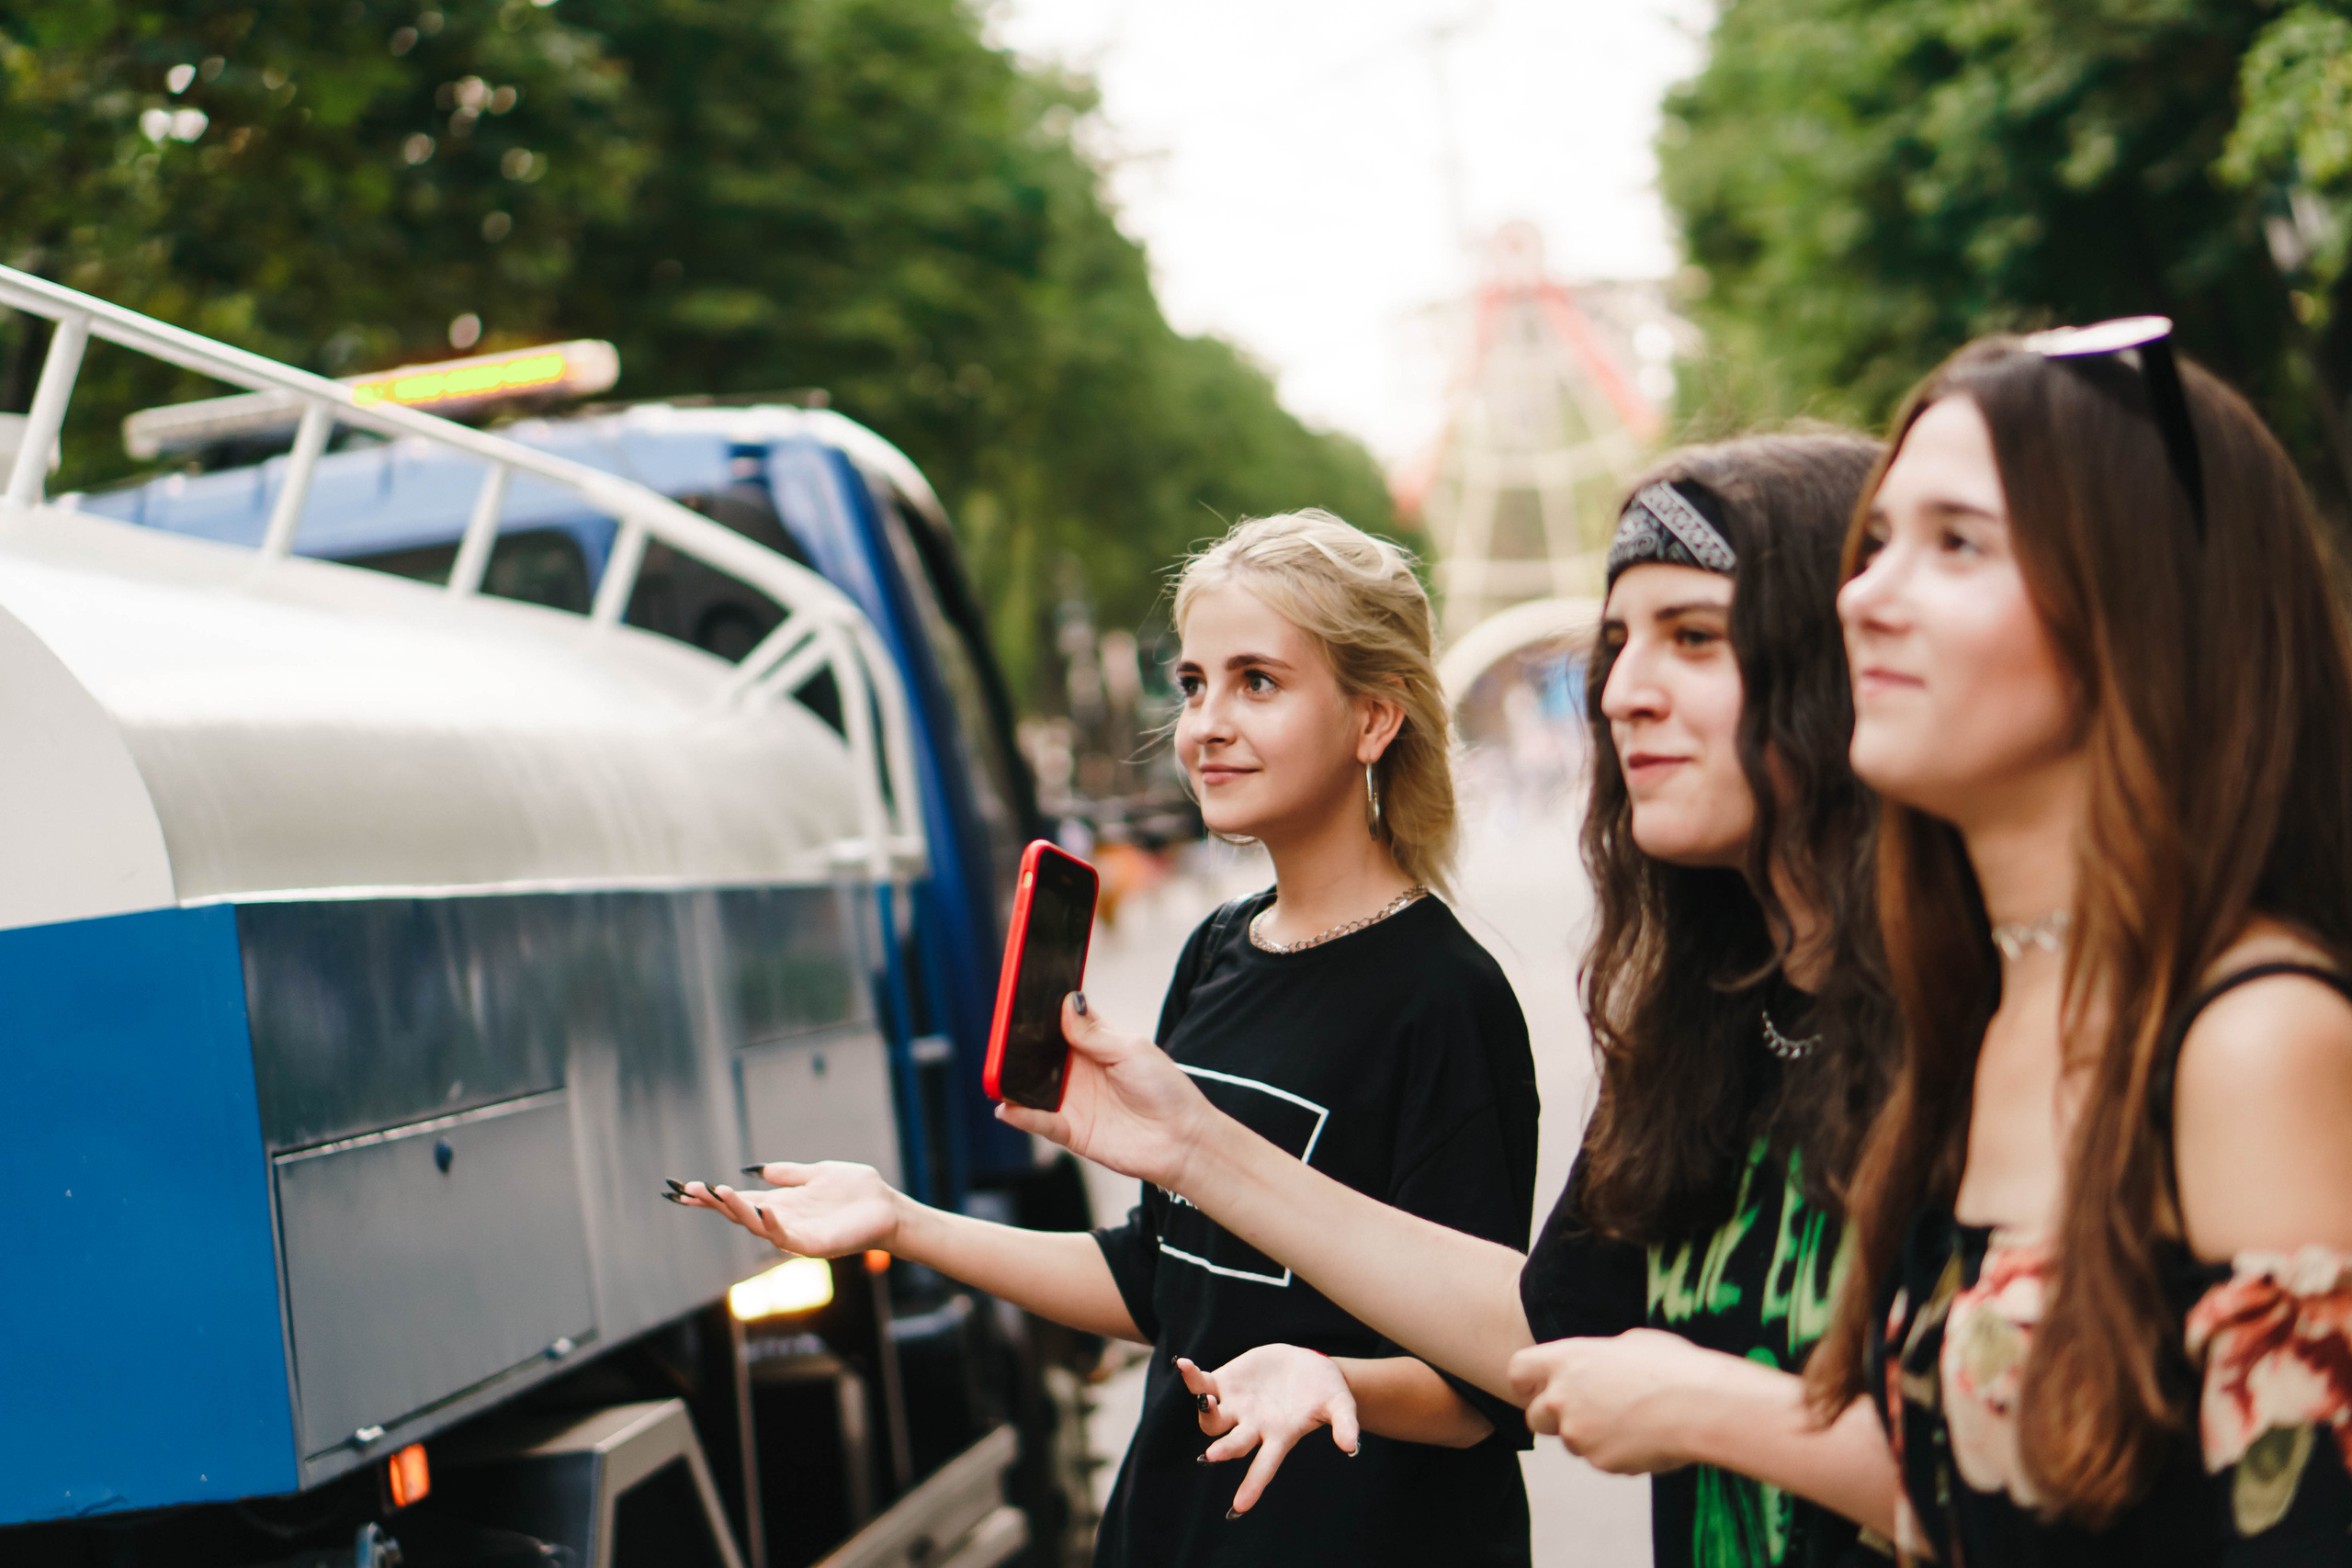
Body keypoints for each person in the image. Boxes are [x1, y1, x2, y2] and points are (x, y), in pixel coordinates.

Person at [1006, 434, 1905, 1568]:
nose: (1623, 693)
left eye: (1693, 639)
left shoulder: (1989, 1023)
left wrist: (1703, 1408)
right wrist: (1176, 1150)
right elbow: (1541, 1323)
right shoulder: (1699, 1019)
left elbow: (2051, 1475)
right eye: (1616, 645)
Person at [683, 510, 1544, 1568]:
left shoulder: (1445, 1000)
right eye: (1192, 683)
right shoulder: (1217, 952)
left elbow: (1485, 1386)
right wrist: (898, 1222)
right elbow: (1159, 1279)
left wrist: (1332, 1383)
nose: (1206, 723)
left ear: (1374, 719)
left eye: (1257, 682)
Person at [1783, 321, 2352, 1563]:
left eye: (1957, 543)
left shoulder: (2256, 1041)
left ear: (2145, 605)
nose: (1864, 594)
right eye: (1875, 541)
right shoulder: (1985, 1007)